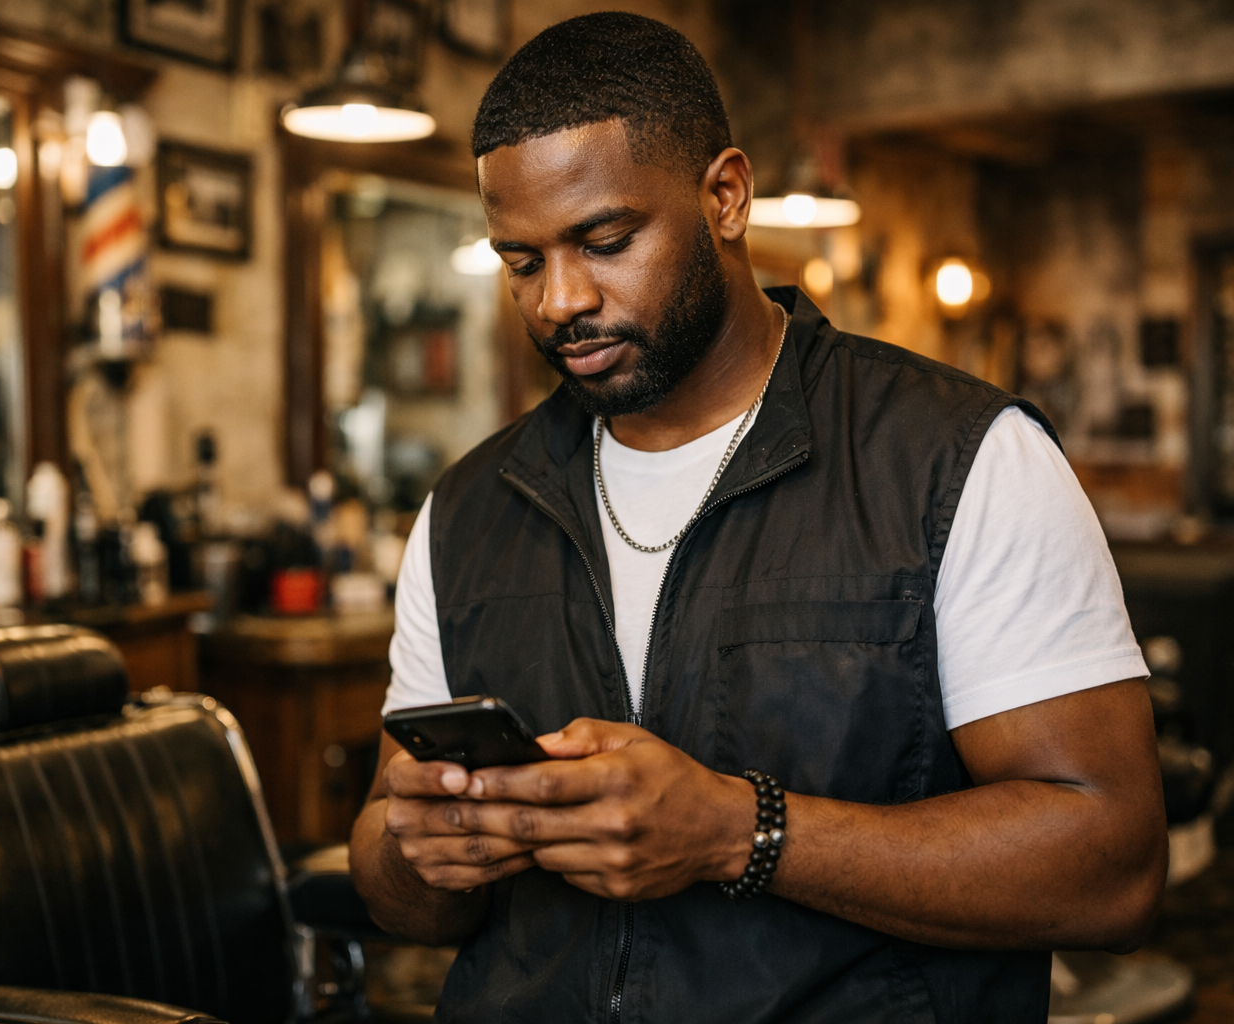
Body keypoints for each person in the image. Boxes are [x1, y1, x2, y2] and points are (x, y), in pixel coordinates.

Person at [349, 12, 1166, 1022]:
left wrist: (743, 831)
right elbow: (398, 893)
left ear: (726, 196)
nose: (560, 300)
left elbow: (1113, 864)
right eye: (521, 262)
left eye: (605, 241)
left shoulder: (960, 461)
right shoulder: (470, 509)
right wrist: (417, 848)